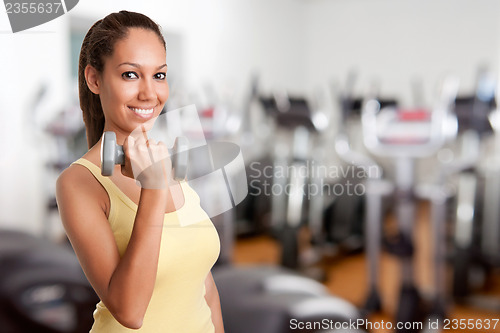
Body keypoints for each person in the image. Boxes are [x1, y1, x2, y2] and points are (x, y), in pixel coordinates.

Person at [56, 10, 224, 332]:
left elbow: (205, 288)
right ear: (94, 79)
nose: (150, 93)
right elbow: (129, 311)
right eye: (131, 75)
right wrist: (154, 188)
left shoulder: (170, 162)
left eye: (159, 75)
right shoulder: (78, 183)